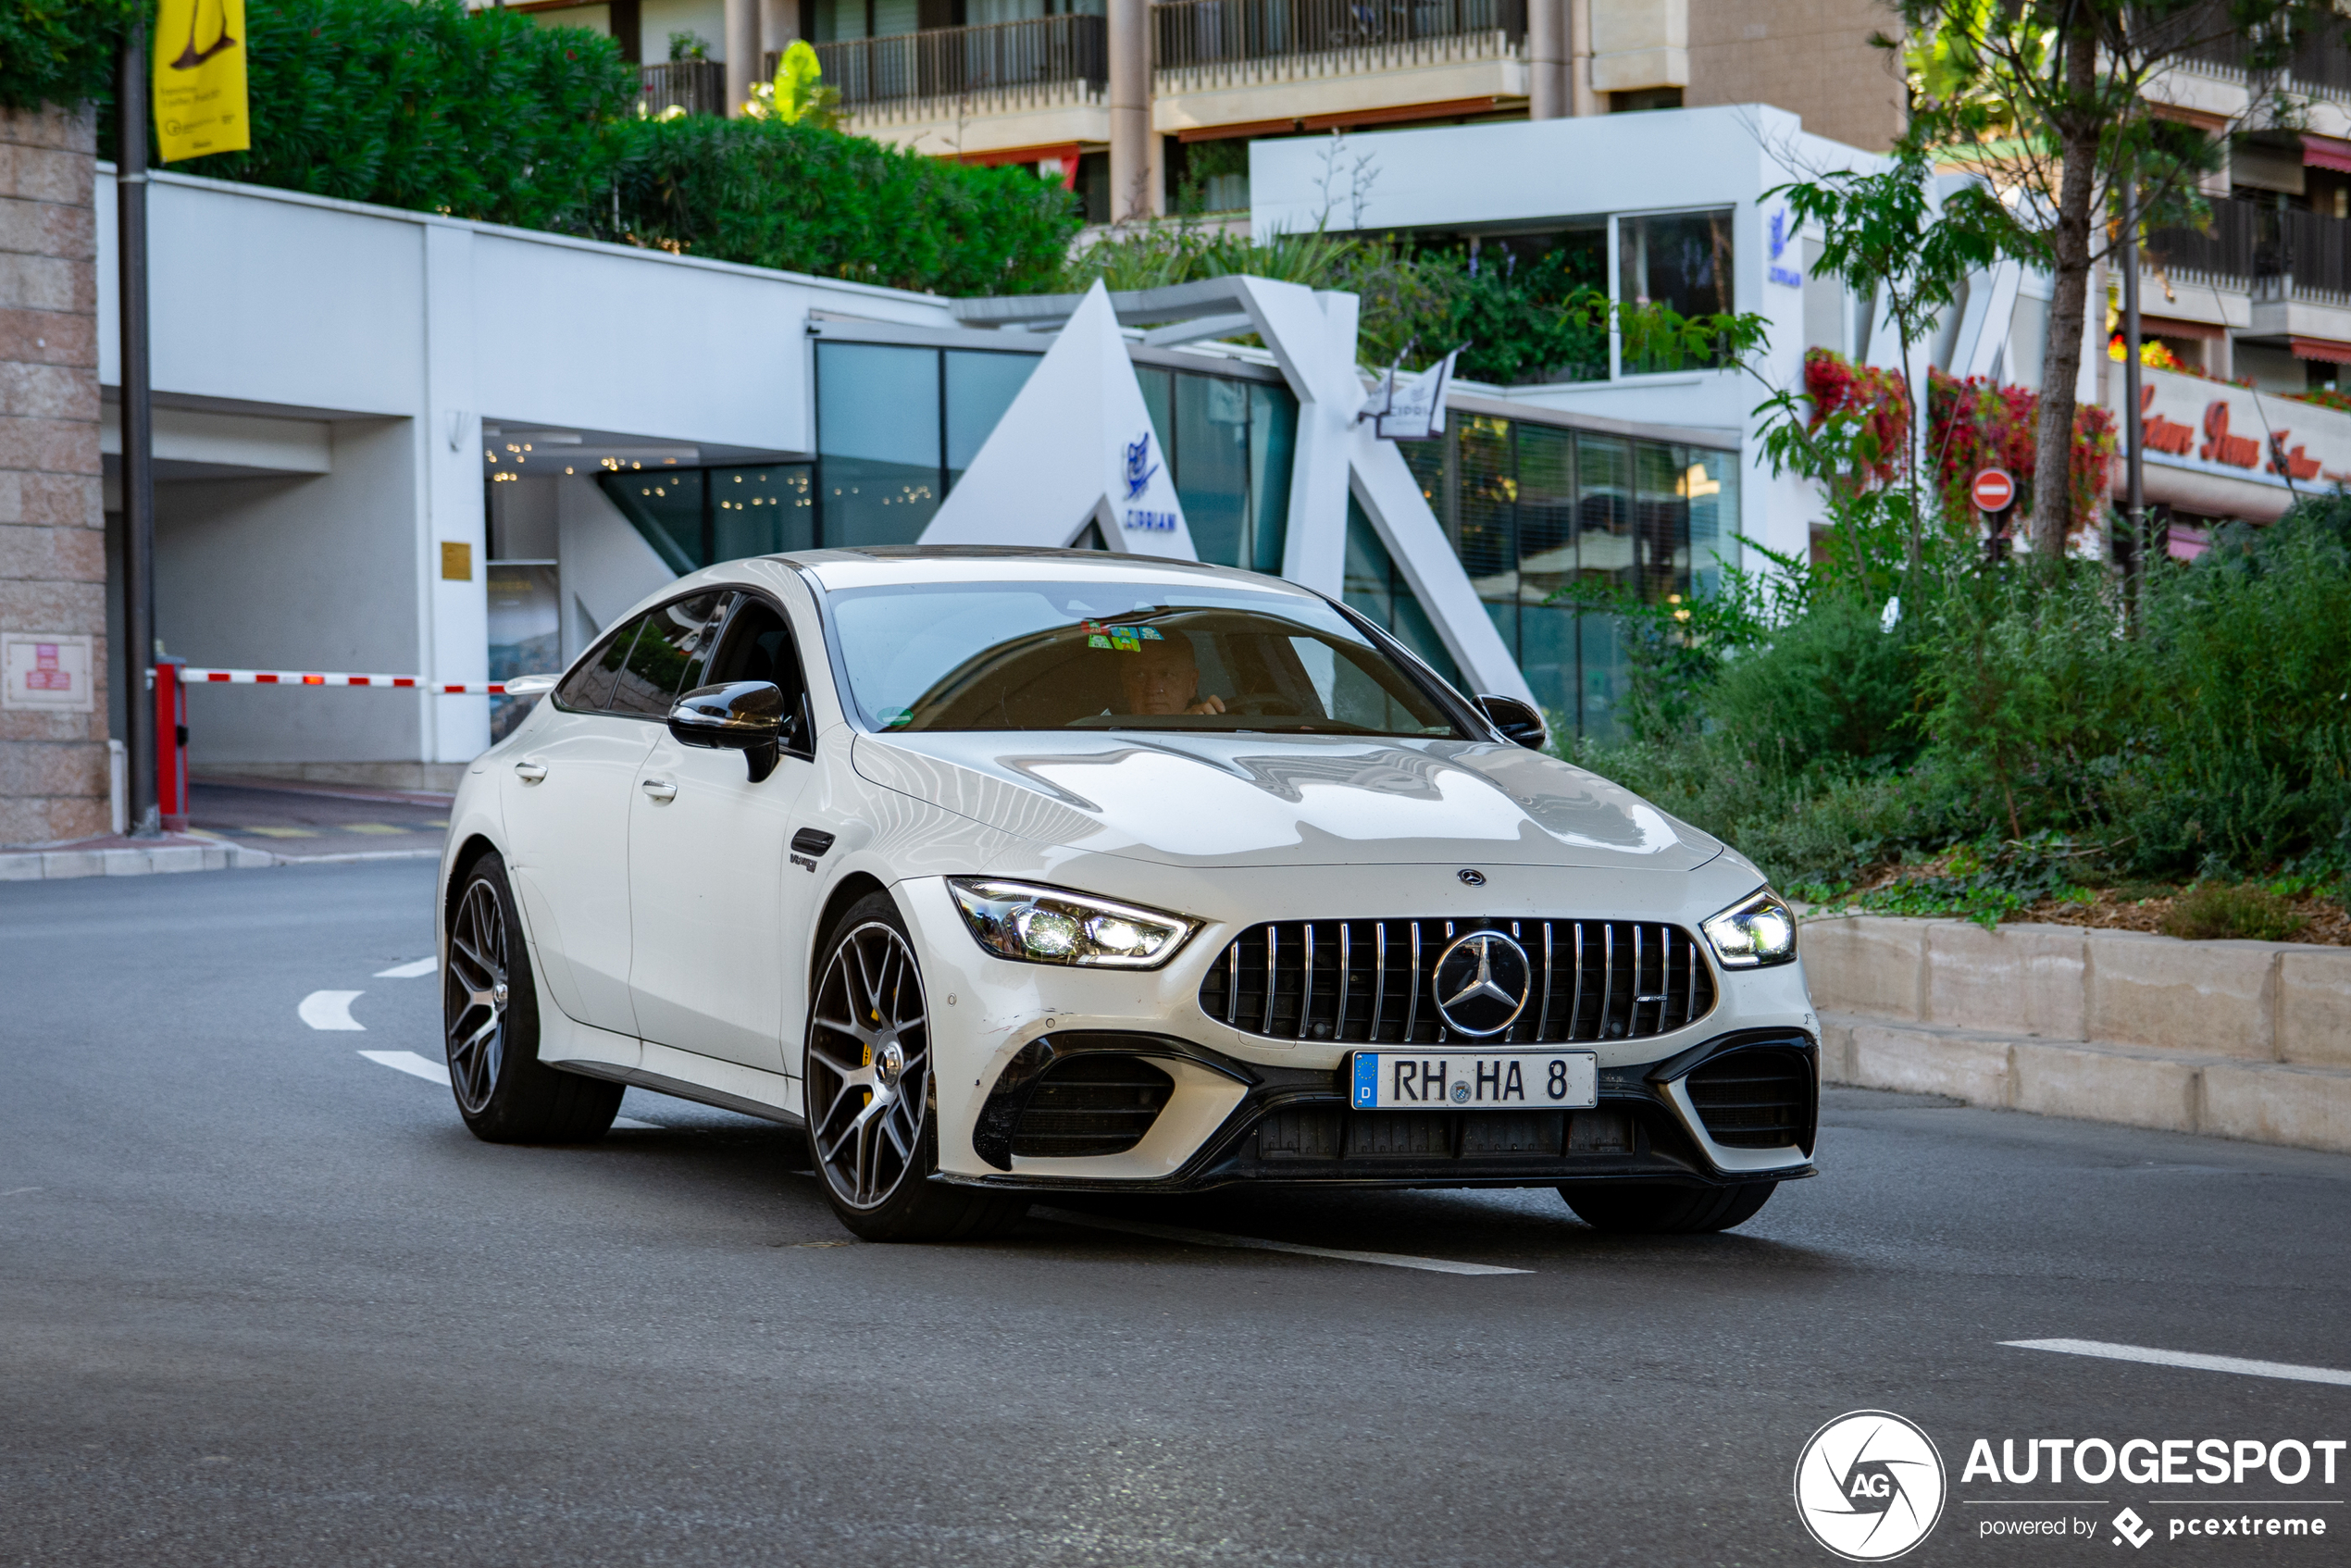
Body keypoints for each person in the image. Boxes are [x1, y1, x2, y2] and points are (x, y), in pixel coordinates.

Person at [1116, 632, 1225, 716]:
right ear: (1125, 683)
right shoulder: (1101, 733)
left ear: (1192, 683)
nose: (1153, 689)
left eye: (1166, 674)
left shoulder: (1211, 734)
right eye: (1139, 675)